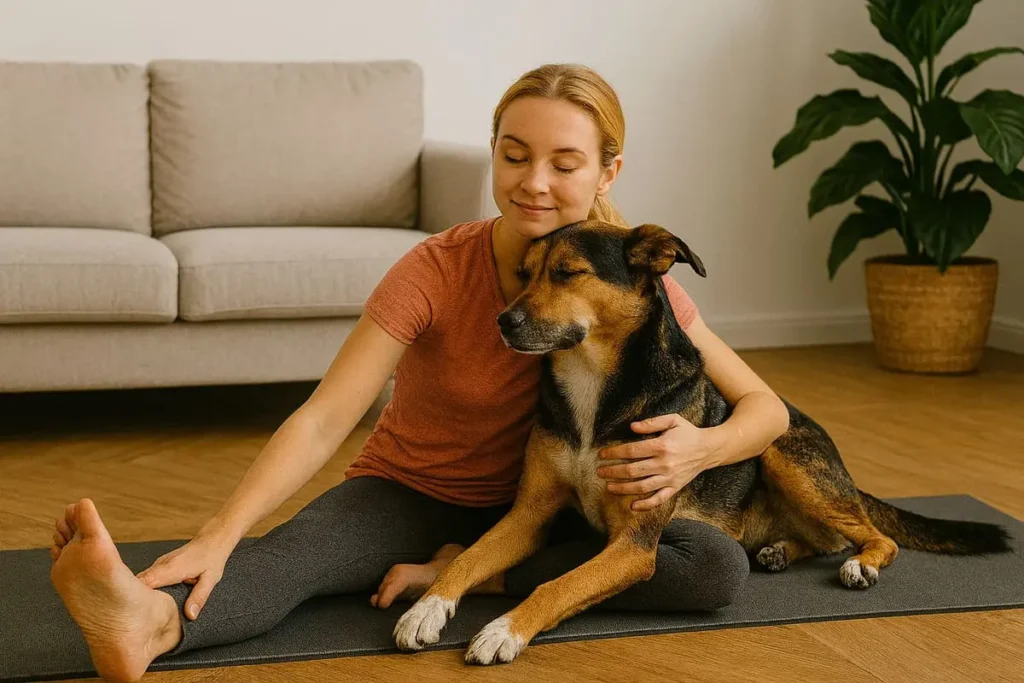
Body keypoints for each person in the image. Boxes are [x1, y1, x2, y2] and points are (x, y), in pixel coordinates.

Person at [49, 63, 790, 682]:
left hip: (545, 512)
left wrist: (700, 447)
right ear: (491, 154)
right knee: (299, 555)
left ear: (607, 171)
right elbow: (325, 417)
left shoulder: (622, 280)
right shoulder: (435, 268)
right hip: (413, 489)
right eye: (513, 153)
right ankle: (145, 622)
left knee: (714, 566)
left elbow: (765, 408)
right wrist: (220, 530)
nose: (534, 181)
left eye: (564, 163)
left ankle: (469, 574)